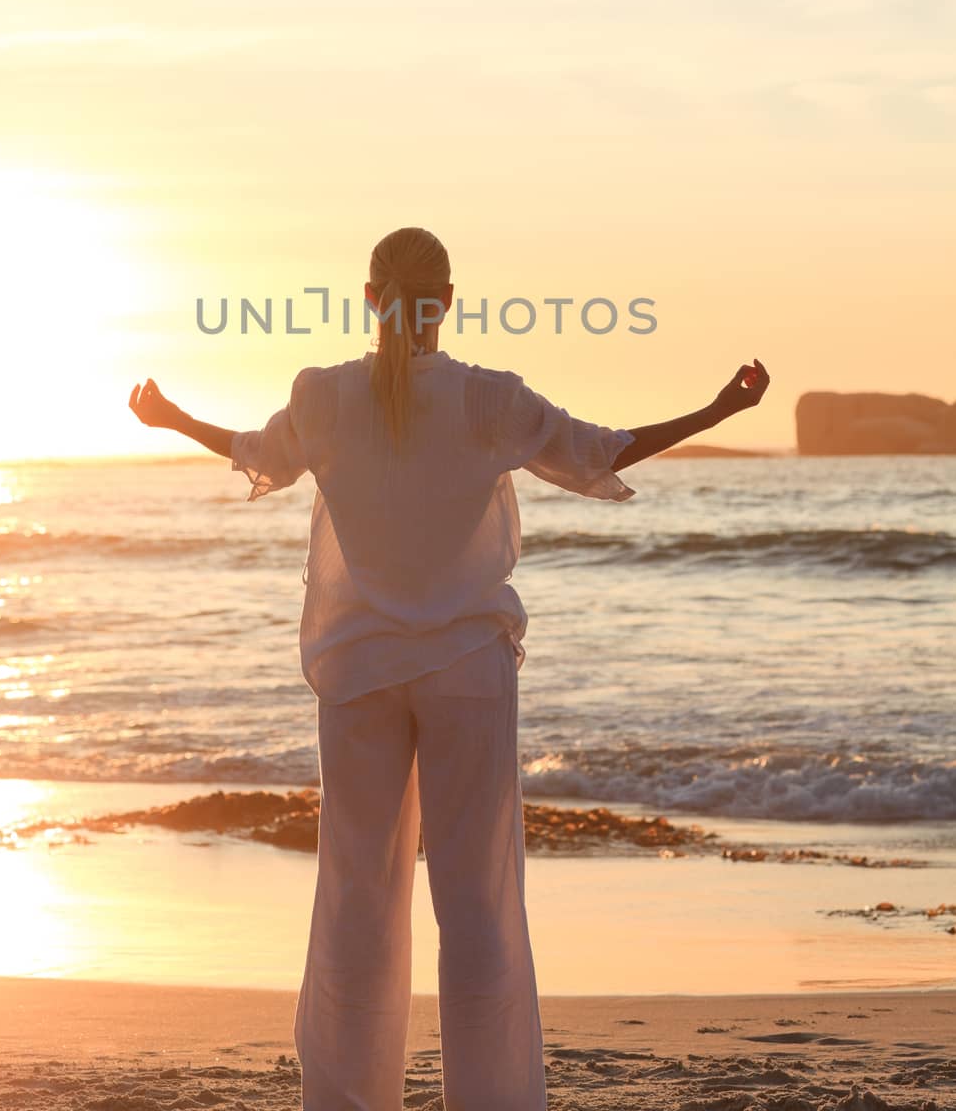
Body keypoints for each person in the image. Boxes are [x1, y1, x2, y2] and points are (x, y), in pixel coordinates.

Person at [129, 225, 769, 1110]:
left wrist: (168, 418)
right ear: (449, 302)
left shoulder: (323, 396)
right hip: (467, 668)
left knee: (357, 892)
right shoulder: (486, 400)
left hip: (358, 673)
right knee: (477, 901)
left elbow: (254, 453)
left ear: (366, 298)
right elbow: (600, 452)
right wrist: (716, 412)